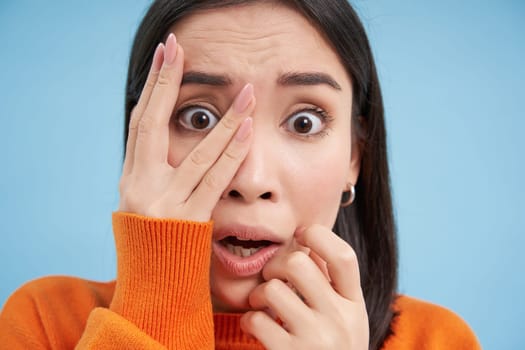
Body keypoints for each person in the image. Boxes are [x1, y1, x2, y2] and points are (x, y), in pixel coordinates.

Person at [0, 0, 481, 349]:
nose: (250, 179)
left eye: (305, 122)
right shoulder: (45, 324)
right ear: (140, 141)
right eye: (199, 118)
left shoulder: (435, 341)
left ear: (355, 157)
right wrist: (155, 309)